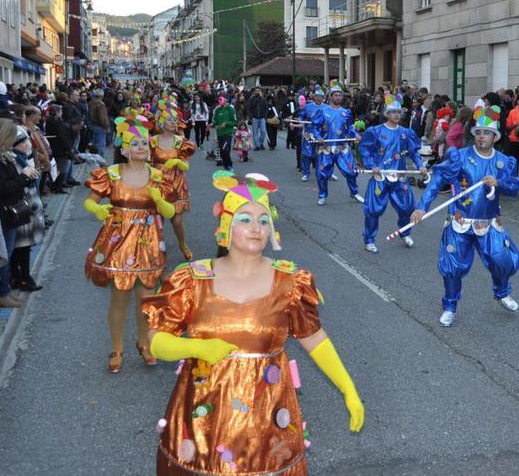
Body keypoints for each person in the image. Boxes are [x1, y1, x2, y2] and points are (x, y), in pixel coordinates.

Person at [143, 171, 364, 475]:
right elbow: (155, 340)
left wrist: (348, 388)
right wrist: (197, 347)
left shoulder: (290, 281)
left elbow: (314, 339)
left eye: (264, 220)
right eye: (245, 219)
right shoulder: (192, 278)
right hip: (202, 421)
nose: (256, 228)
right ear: (226, 224)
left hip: (267, 422)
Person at [410, 106, 519, 327]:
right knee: (452, 267)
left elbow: (514, 188)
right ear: (474, 134)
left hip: (489, 222)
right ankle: (450, 306)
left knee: (502, 260)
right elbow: (437, 182)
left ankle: (502, 292)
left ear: (495, 136)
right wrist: (422, 207)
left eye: (487, 133)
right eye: (479, 132)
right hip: (460, 221)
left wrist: (499, 182)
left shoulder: (503, 161)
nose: (482, 136)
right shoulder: (459, 157)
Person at [83, 118, 176, 373]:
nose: (141, 148)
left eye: (144, 144)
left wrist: (159, 199)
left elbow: (169, 212)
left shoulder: (158, 176)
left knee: (146, 299)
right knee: (119, 297)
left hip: (148, 241)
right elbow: (89, 201)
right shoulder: (111, 174)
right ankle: (116, 348)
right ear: (124, 149)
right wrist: (97, 209)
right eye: (135, 143)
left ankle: (144, 343)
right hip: (118, 241)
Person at [0, 119, 38, 309]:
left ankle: (5, 289)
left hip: (9, 209)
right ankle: (1, 292)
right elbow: (1, 188)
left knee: (8, 251)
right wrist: (23, 178)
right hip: (2, 212)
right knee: (4, 252)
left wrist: (26, 178)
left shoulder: (1, 155)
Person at [358, 94, 426, 253]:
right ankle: (369, 239)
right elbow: (364, 149)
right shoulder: (375, 131)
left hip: (399, 178)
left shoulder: (406, 133)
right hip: (380, 177)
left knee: (407, 208)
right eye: (393, 112)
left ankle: (405, 232)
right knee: (373, 210)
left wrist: (420, 165)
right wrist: (371, 164)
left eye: (399, 112)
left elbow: (414, 152)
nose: (396, 115)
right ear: (386, 114)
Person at [151, 106, 197, 260]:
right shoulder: (152, 141)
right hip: (157, 182)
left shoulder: (181, 142)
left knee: (177, 220)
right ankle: (156, 247)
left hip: (176, 182)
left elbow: (186, 166)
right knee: (158, 220)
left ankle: (182, 244)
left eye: (175, 120)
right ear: (161, 122)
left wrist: (178, 161)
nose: (173, 122)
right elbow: (145, 162)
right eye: (169, 119)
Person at [10, 126, 46, 291]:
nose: (27, 143)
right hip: (22, 204)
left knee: (24, 244)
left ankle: (20, 275)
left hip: (28, 202)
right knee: (22, 243)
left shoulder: (22, 158)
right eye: (23, 141)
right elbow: (20, 181)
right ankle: (23, 276)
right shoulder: (15, 159)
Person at [315, 82, 362, 206]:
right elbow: (314, 127)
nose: (338, 97)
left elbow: (350, 128)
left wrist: (355, 135)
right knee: (322, 174)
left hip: (342, 147)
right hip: (326, 147)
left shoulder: (346, 112)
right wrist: (318, 136)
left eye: (340, 95)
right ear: (330, 97)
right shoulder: (323, 111)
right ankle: (322, 195)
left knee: (351, 171)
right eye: (335, 95)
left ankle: (354, 192)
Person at [298, 87, 327, 182]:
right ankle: (306, 173)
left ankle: (324, 173)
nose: (319, 98)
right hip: (309, 133)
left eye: (321, 97)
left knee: (323, 154)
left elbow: (330, 121)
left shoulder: (327, 108)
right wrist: (300, 119)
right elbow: (301, 116)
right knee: (307, 154)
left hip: (322, 135)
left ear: (324, 98)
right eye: (317, 96)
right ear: (314, 97)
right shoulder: (308, 106)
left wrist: (326, 126)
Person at [210, 96, 237, 170]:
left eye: (224, 100)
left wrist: (226, 123)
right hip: (219, 134)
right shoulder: (218, 109)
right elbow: (216, 120)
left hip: (228, 134)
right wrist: (212, 124)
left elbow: (235, 122)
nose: (222, 102)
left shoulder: (230, 109)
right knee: (222, 151)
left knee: (224, 149)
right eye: (220, 100)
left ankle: (229, 164)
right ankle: (226, 165)